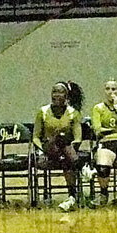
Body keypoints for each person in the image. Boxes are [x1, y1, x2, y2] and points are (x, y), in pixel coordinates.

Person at [32, 81, 83, 212]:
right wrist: (41, 149)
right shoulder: (42, 112)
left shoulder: (73, 113)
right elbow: (35, 137)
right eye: (54, 91)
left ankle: (71, 198)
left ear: (67, 96)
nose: (56, 95)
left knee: (65, 157)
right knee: (59, 140)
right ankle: (82, 168)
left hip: (65, 151)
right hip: (48, 149)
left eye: (60, 92)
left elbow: (78, 137)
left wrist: (72, 145)